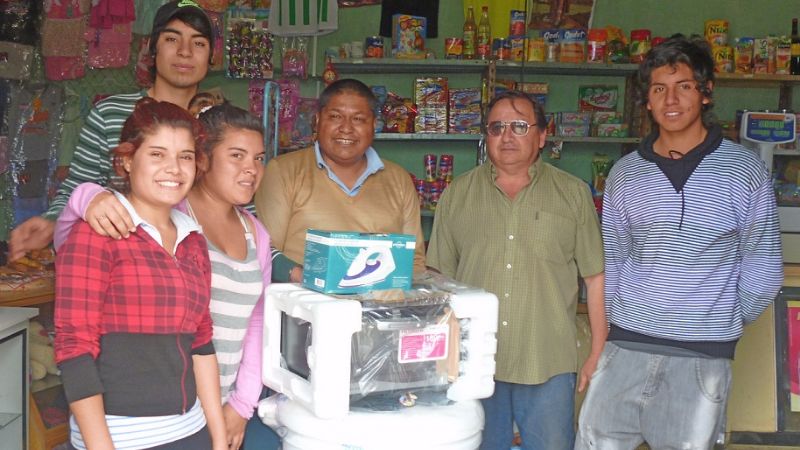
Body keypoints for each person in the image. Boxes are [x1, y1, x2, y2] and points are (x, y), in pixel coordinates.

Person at [574, 35, 783, 449]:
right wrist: (610, 337)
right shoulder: (625, 174)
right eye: (658, 89)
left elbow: (764, 264)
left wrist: (719, 319)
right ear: (647, 102)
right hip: (625, 348)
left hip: (701, 360)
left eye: (683, 86)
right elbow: (611, 262)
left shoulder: (743, 170)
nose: (671, 99)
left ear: (706, 93)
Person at [54, 103, 281, 450]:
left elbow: (205, 340)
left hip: (193, 425)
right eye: (158, 154)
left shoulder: (192, 239)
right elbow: (75, 347)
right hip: (122, 432)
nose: (173, 169)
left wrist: (226, 425)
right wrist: (84, 197)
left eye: (185, 157)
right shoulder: (105, 227)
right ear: (128, 160)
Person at [426, 90, 606, 450]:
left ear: (541, 136)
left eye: (520, 126)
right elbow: (437, 279)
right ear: (486, 137)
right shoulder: (458, 194)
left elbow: (594, 276)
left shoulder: (572, 194)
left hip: (547, 359)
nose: (507, 136)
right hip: (473, 361)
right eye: (496, 127)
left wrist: (597, 350)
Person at [9, 0, 214, 262]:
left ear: (211, 56)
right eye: (172, 39)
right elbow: (80, 185)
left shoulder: (220, 123)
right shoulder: (110, 113)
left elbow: (241, 208)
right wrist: (52, 221)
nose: (185, 51)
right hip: (126, 264)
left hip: (206, 266)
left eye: (198, 43)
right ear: (152, 48)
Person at [253, 78, 426, 275]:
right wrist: (305, 278)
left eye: (358, 119)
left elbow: (415, 261)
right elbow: (265, 251)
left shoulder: (398, 179)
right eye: (335, 117)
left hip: (379, 303)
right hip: (305, 302)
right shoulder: (283, 171)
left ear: (374, 126)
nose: (346, 128)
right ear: (318, 121)